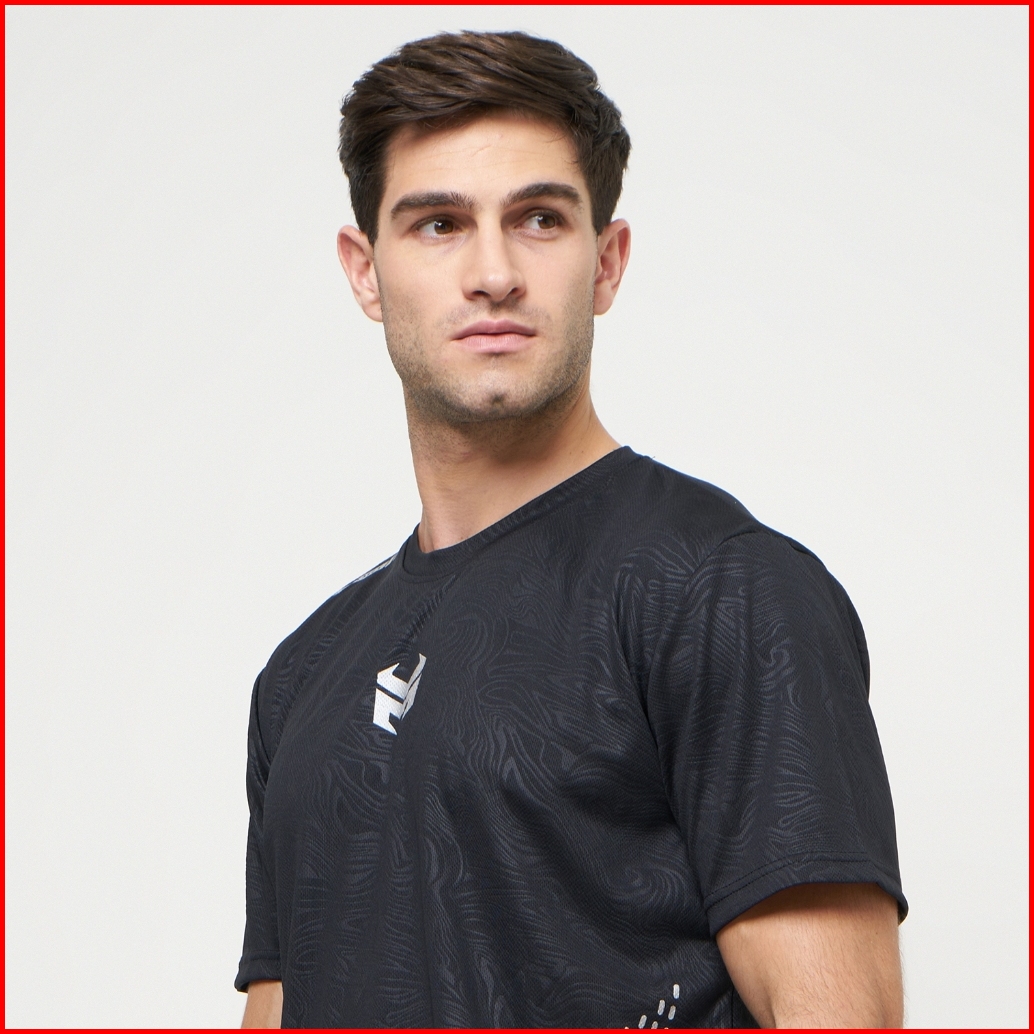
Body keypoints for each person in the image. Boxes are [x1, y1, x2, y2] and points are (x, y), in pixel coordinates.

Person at [236, 30, 907, 1029]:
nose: (493, 272)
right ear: (364, 271)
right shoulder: (302, 675)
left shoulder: (722, 591)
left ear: (606, 261)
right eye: (437, 224)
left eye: (539, 219)